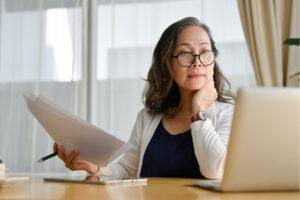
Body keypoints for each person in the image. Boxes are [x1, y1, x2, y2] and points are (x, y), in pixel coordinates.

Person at [53, 16, 234, 180]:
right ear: (167, 63)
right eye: (185, 53)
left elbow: (216, 170)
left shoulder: (228, 114)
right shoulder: (147, 117)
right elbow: (126, 171)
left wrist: (199, 111)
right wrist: (96, 168)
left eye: (204, 52)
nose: (197, 61)